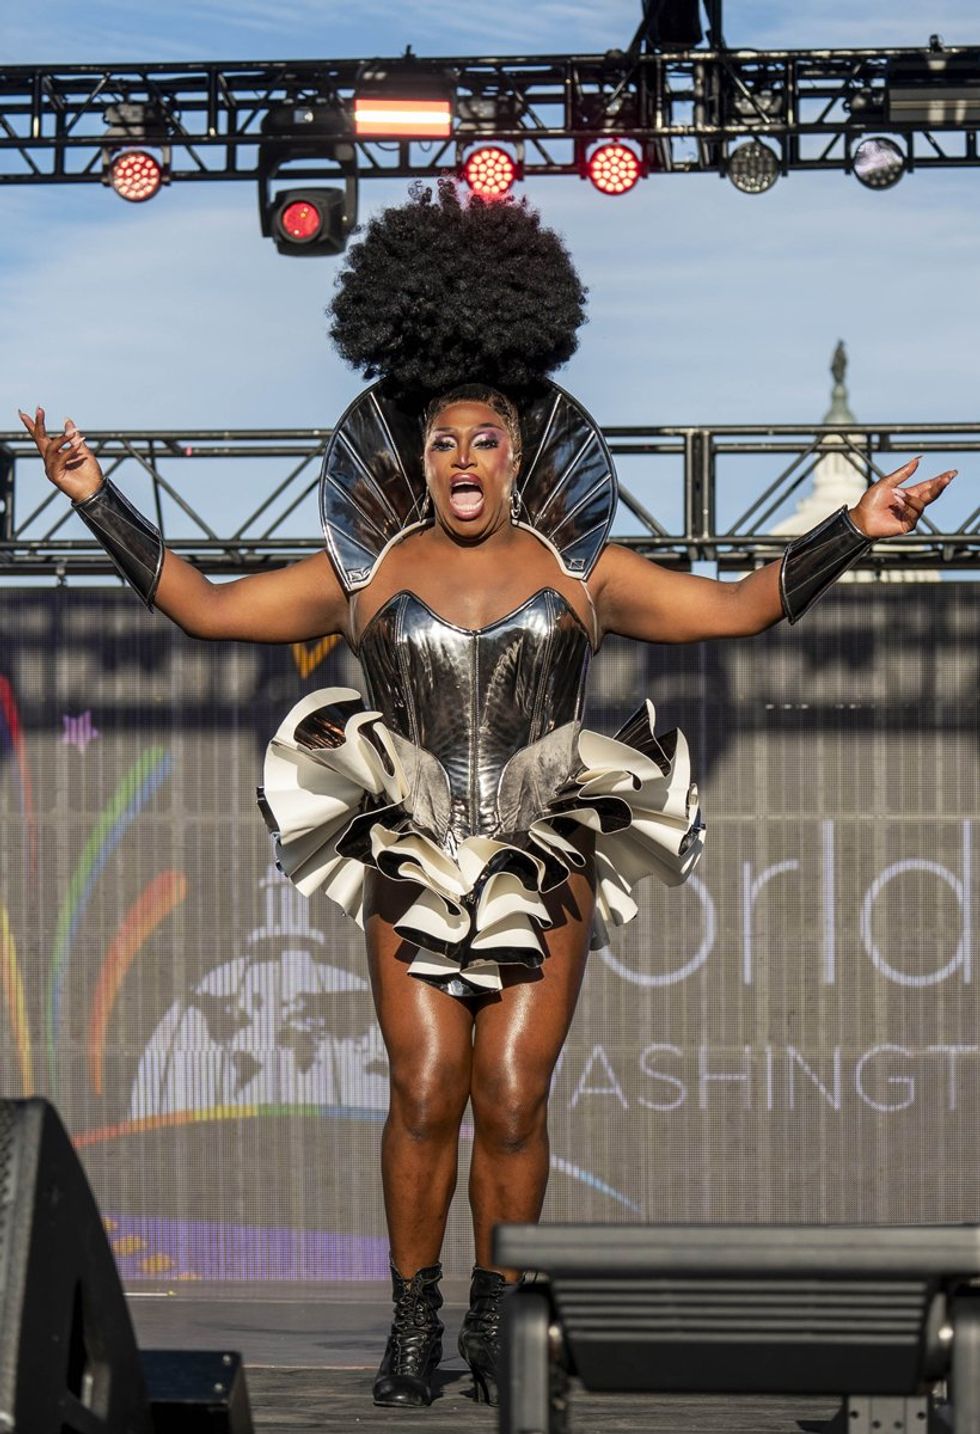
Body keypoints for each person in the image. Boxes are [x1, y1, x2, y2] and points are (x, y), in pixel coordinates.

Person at [20, 182, 956, 1411]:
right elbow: (202, 606)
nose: (464, 459)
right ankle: (410, 1318)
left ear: (523, 454)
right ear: (420, 461)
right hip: (410, 850)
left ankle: (500, 1320)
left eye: (487, 441)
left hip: (541, 849)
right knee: (423, 1086)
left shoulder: (586, 572)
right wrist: (93, 496)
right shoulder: (361, 574)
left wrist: (855, 525)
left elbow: (734, 607)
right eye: (444, 443)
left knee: (511, 1093)